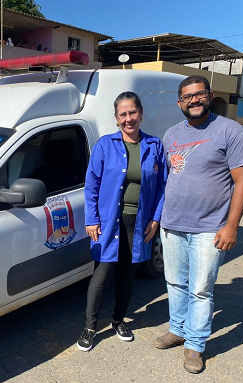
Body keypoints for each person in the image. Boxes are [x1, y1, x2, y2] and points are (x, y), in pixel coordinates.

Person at [153, 75, 243, 374]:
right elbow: (168, 178)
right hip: (172, 224)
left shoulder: (230, 130)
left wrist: (232, 225)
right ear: (179, 102)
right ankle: (178, 328)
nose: (194, 100)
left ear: (209, 96)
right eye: (187, 97)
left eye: (199, 94)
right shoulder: (171, 134)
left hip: (210, 227)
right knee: (175, 282)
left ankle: (195, 345)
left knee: (200, 289)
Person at [77, 91, 167, 352]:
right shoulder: (105, 145)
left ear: (141, 114)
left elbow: (162, 187)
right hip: (108, 222)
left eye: (133, 112)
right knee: (102, 274)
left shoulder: (154, 146)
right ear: (116, 118)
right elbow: (92, 185)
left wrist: (155, 219)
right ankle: (90, 327)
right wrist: (92, 219)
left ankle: (118, 321)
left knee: (128, 274)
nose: (129, 119)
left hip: (139, 223)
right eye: (123, 114)